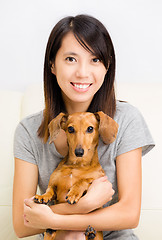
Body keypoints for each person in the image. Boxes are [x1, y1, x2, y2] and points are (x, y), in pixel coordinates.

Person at [13, 14, 155, 240]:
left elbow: (129, 214)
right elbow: (21, 225)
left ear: (107, 66)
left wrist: (52, 218)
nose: (83, 72)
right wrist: (84, 205)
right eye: (71, 59)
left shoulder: (127, 119)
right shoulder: (29, 131)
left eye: (95, 60)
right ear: (52, 64)